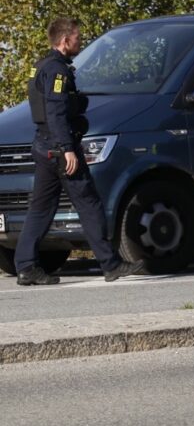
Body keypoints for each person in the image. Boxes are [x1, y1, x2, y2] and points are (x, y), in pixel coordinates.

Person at [14, 18, 145, 285]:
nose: (80, 40)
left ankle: (26, 266)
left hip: (44, 146)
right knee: (89, 205)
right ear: (65, 41)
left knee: (40, 209)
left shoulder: (40, 67)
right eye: (77, 37)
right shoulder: (57, 72)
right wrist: (67, 150)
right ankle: (111, 264)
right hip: (60, 149)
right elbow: (56, 112)